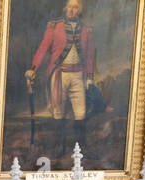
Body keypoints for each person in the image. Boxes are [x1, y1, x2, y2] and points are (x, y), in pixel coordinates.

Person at [25, 0, 95, 155]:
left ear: (79, 10)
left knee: (81, 112)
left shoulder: (86, 30)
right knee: (58, 111)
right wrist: (33, 68)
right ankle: (59, 147)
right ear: (65, 8)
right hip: (59, 75)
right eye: (69, 6)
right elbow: (43, 48)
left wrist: (89, 76)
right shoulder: (54, 26)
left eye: (75, 7)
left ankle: (80, 149)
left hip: (78, 76)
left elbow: (89, 56)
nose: (71, 10)